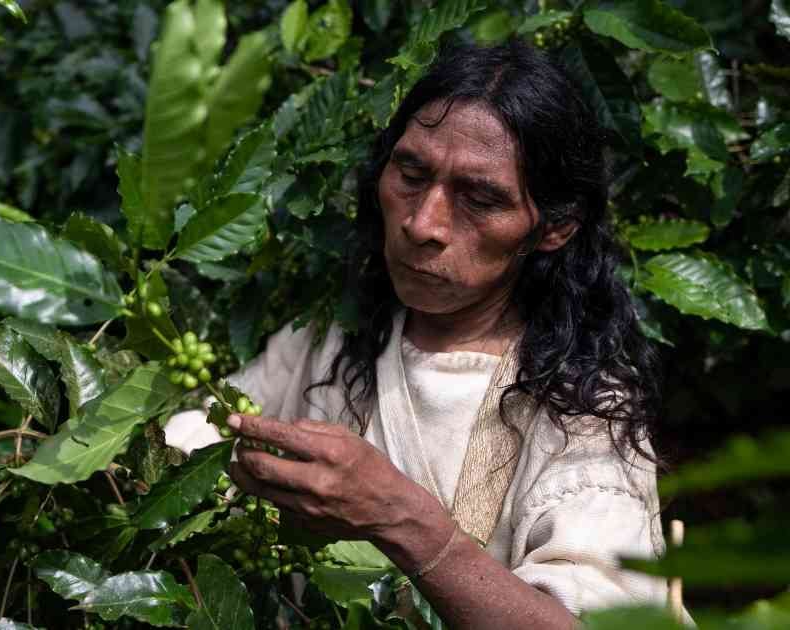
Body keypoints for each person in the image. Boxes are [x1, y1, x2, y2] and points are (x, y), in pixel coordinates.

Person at [164, 41, 681, 628]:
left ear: (553, 229)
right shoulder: (335, 338)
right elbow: (199, 440)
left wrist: (404, 520)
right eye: (411, 175)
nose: (422, 224)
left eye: (480, 199)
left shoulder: (582, 412)